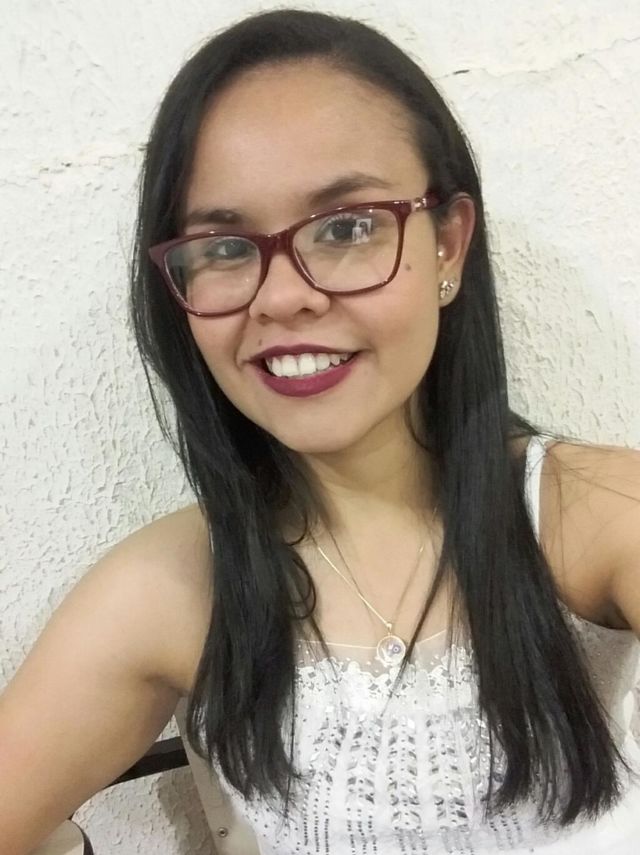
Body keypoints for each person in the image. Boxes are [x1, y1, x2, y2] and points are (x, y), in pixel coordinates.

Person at [1, 8, 639, 854]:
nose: (282, 296)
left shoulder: (587, 511)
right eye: (224, 247)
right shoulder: (175, 588)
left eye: (346, 228)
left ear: (448, 244)